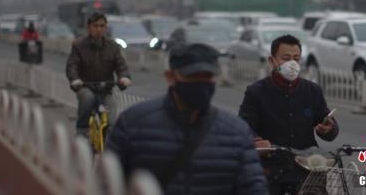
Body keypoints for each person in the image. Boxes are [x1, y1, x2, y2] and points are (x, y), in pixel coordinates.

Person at [106, 43, 268, 195]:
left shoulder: (236, 134)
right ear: (170, 77)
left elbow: (253, 188)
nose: (201, 83)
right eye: (193, 76)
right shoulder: (133, 125)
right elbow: (108, 184)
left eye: (207, 76)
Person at [238, 34, 338, 193]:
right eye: (286, 58)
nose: (292, 63)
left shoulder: (312, 91)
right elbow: (243, 127)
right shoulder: (256, 92)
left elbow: (328, 126)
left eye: (296, 58)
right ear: (272, 61)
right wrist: (257, 141)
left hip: (307, 167)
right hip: (271, 169)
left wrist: (329, 128)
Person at [66, 12, 132, 138]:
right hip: (86, 86)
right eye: (95, 26)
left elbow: (121, 65)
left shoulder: (113, 46)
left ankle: (110, 146)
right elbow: (72, 66)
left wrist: (124, 77)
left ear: (106, 27)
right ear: (89, 27)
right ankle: (82, 131)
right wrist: (75, 80)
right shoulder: (79, 45)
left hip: (106, 88)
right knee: (87, 99)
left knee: (111, 119)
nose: (99, 29)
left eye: (102, 26)